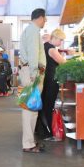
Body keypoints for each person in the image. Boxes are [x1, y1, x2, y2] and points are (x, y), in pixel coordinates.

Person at [19, 8, 47, 153]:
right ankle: (28, 143)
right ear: (40, 18)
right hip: (32, 73)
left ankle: (29, 141)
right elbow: (33, 52)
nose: (46, 21)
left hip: (31, 72)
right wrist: (34, 73)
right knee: (30, 108)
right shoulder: (33, 31)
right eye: (45, 18)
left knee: (32, 107)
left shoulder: (31, 30)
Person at [38, 29, 67, 141]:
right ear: (55, 38)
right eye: (61, 40)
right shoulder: (51, 49)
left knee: (44, 105)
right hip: (51, 81)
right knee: (48, 106)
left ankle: (41, 130)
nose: (61, 42)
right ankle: (48, 134)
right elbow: (63, 63)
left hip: (45, 80)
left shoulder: (45, 46)